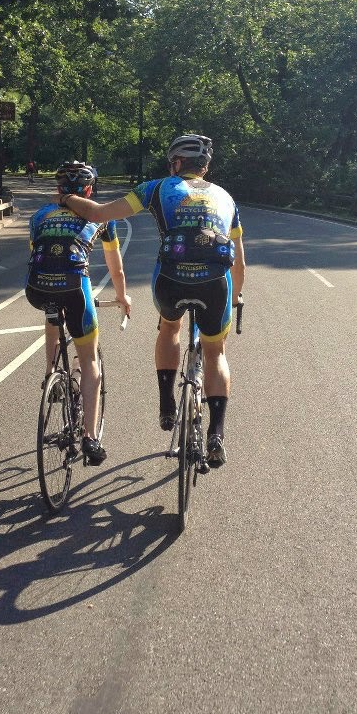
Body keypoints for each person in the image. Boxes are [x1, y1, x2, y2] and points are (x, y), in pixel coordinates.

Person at [58, 135, 245, 468]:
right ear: (205, 167)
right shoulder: (226, 197)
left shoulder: (156, 187)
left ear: (175, 163)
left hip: (171, 281)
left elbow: (100, 213)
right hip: (215, 284)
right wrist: (236, 297)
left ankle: (166, 404)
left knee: (170, 327)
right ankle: (216, 433)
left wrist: (69, 198)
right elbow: (239, 263)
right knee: (216, 351)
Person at [26, 162, 131, 465]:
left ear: (59, 189)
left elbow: (37, 255)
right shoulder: (102, 217)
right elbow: (116, 267)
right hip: (75, 287)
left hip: (36, 287)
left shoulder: (39, 215)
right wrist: (122, 297)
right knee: (89, 360)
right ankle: (90, 438)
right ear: (89, 189)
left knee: (52, 312)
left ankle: (50, 375)